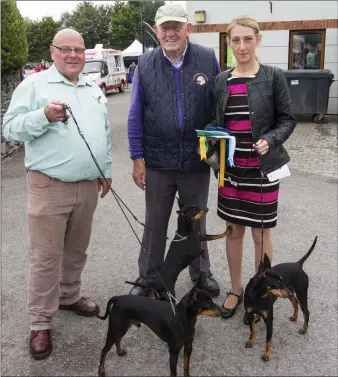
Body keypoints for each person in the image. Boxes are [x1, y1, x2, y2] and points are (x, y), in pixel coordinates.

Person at [2, 28, 112, 360]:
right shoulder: (34, 85)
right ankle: (40, 322)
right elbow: (9, 128)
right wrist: (43, 116)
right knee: (45, 258)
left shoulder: (93, 88)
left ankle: (68, 296)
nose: (73, 55)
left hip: (88, 185)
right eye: (66, 49)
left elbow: (102, 133)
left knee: (77, 250)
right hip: (48, 186)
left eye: (78, 49)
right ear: (53, 52)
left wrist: (105, 169)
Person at [127, 3, 221, 298]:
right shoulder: (145, 63)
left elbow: (219, 103)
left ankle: (201, 272)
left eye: (176, 27)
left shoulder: (207, 58)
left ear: (187, 29)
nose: (170, 32)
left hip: (196, 160)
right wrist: (137, 159)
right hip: (157, 160)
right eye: (164, 27)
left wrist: (217, 146)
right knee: (155, 222)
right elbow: (134, 115)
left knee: (196, 221)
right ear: (156, 31)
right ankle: (149, 277)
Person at [211, 15, 296, 320]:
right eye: (236, 40)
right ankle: (235, 290)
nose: (242, 46)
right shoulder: (221, 81)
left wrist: (271, 140)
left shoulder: (273, 77)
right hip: (231, 173)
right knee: (234, 232)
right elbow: (216, 122)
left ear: (258, 40)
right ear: (229, 43)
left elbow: (288, 119)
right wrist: (209, 138)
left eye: (248, 39)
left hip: (263, 171)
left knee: (261, 235)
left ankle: (261, 291)